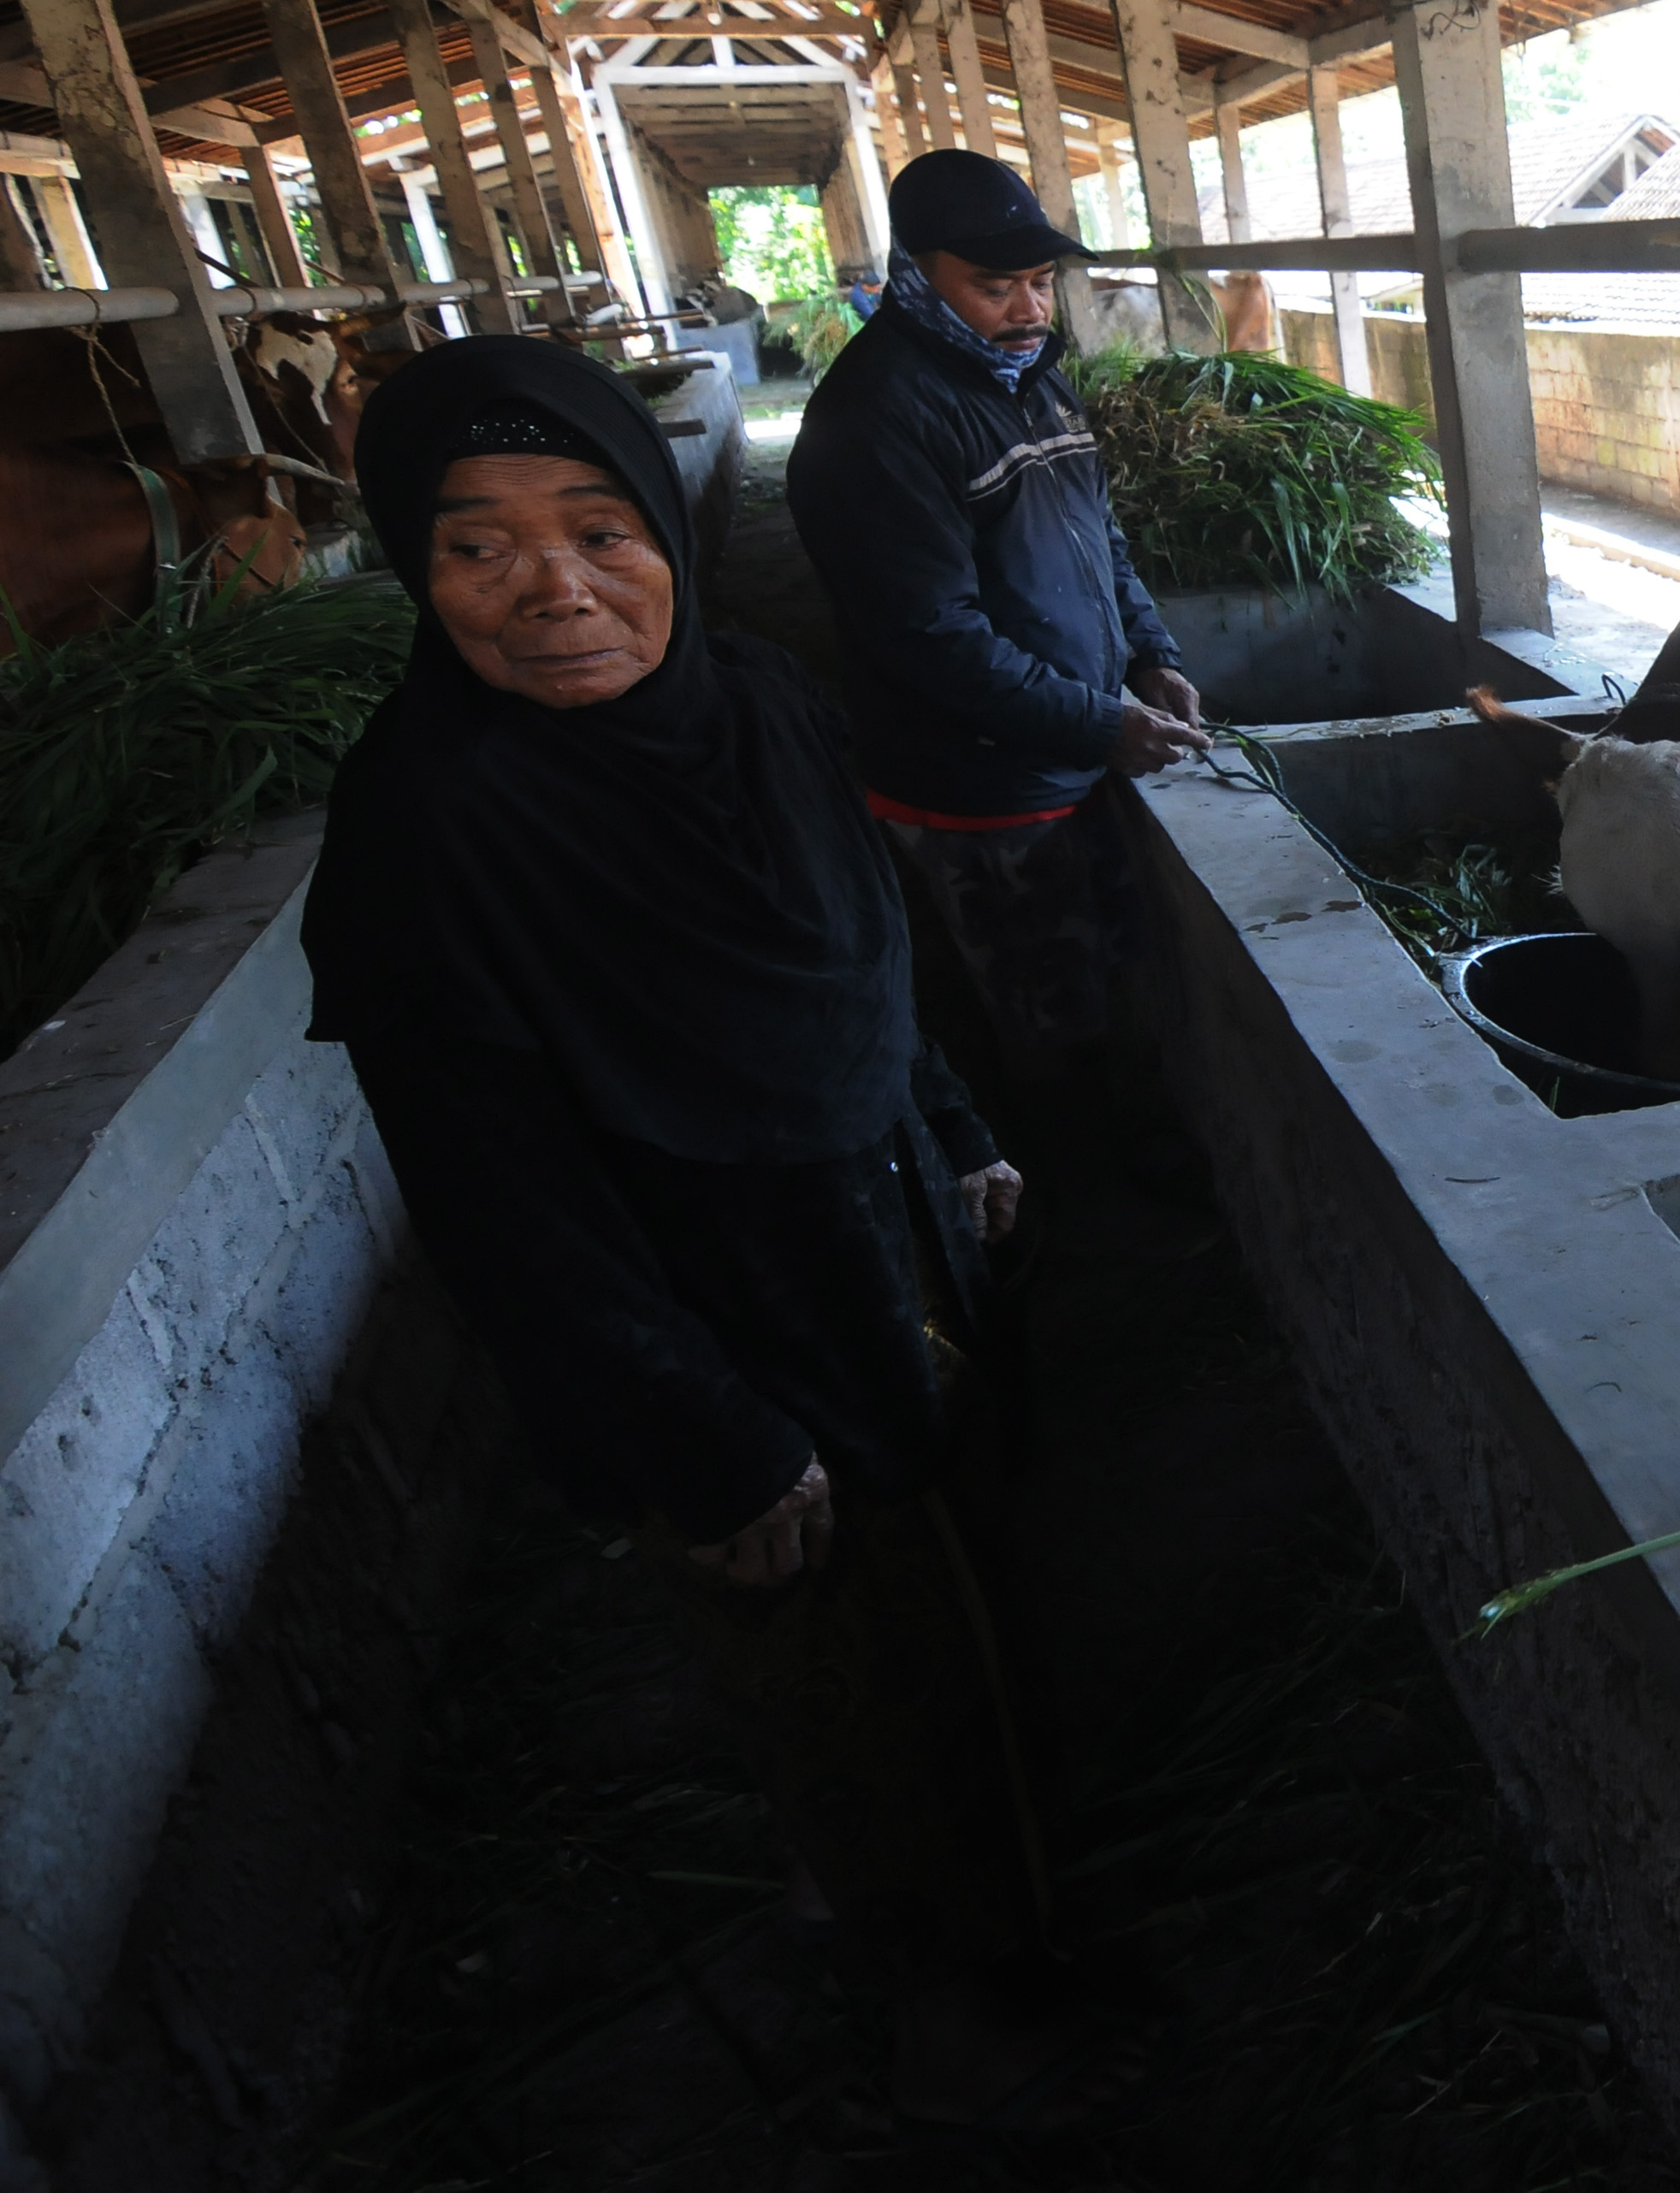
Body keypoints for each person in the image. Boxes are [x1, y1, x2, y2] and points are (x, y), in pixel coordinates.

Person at [301, 335, 1081, 2126]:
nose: (552, 587)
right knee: (826, 1665)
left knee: (961, 1588)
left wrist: (953, 1126)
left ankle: (1002, 1892)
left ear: (661, 520)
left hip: (891, 1234)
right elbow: (494, 1196)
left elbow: (875, 947)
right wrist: (700, 1436)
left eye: (595, 524)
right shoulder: (428, 829)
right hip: (714, 1332)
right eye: (475, 547)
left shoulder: (768, 702)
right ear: (414, 574)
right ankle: (938, 2009)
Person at [786, 149, 1209, 1085]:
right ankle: (1076, 1205)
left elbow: (1102, 540)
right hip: (975, 789)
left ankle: (1132, 1166)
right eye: (995, 285)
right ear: (916, 274)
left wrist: (1149, 655)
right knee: (1044, 1011)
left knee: (1109, 979)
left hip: (1068, 745)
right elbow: (928, 634)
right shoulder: (872, 420)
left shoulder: (1033, 377)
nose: (1028, 309)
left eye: (1040, 282)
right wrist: (1100, 721)